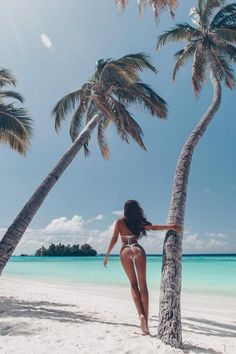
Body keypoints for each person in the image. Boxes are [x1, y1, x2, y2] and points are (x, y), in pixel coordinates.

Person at [103, 200, 182, 335]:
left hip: (125, 250)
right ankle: (146, 324)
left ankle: (141, 316)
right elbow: (155, 227)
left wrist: (107, 255)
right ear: (136, 210)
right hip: (137, 249)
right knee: (143, 285)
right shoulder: (138, 221)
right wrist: (172, 226)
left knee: (133, 284)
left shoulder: (120, 222)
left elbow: (114, 238)